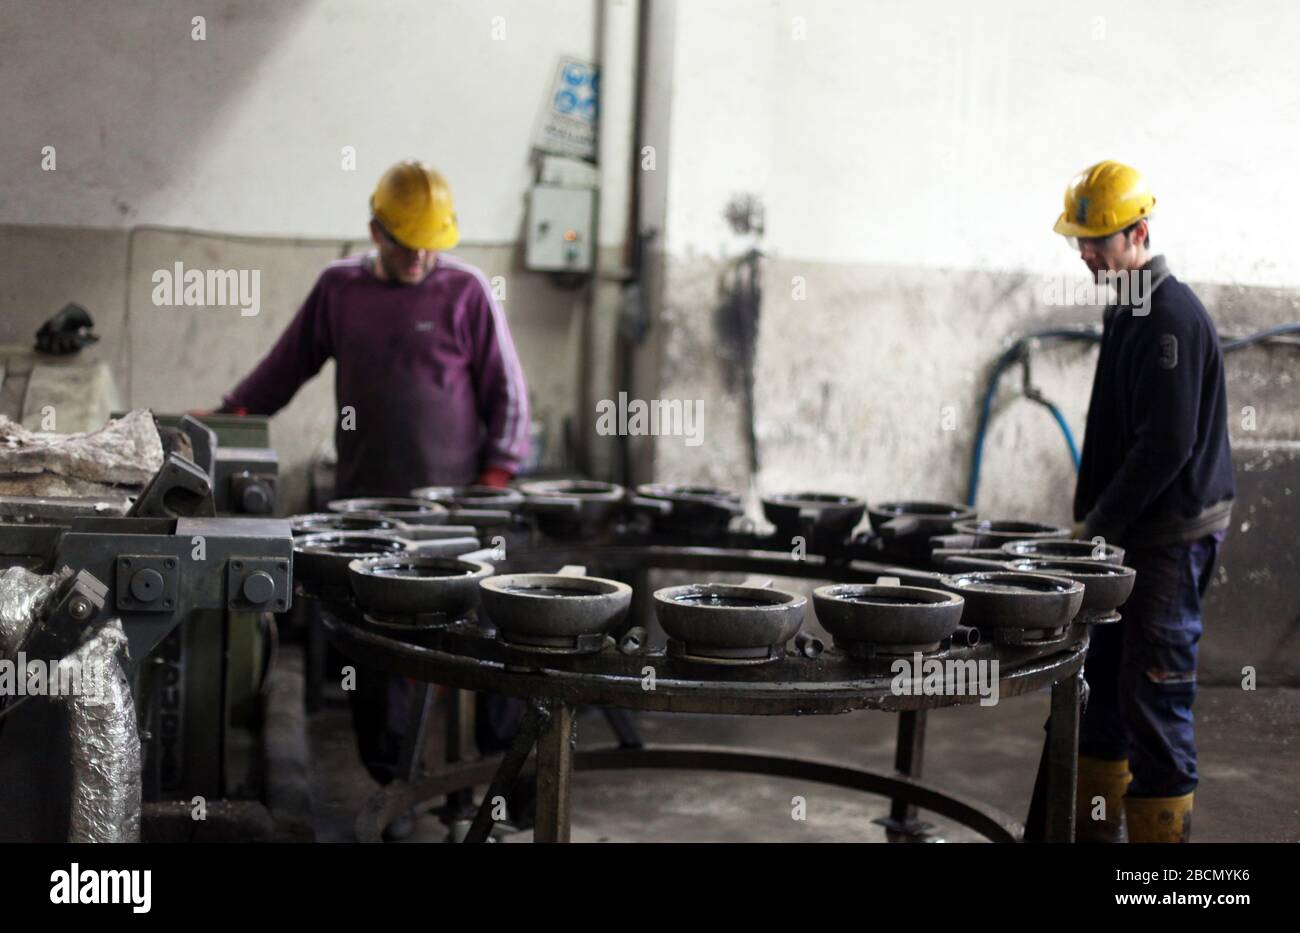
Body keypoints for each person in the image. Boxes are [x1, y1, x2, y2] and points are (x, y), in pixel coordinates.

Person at [218, 161, 530, 818]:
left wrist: (493, 482)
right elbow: (281, 371)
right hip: (369, 516)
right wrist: (224, 419)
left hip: (455, 517)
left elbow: (508, 394)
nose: (420, 256)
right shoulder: (339, 291)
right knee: (379, 653)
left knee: (484, 643)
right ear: (375, 231)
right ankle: (398, 783)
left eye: (431, 243)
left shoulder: (467, 291)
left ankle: (497, 785)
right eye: (405, 241)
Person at [1054, 160, 1234, 842]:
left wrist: (1097, 523)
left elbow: (1167, 446)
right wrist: (1093, 523)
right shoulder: (1127, 307)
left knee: (1153, 697)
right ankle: (1091, 833)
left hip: (1170, 537)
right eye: (1080, 238)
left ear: (1140, 233)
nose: (1086, 253)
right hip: (1130, 532)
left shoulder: (1168, 318)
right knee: (1101, 686)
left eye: (1097, 239)